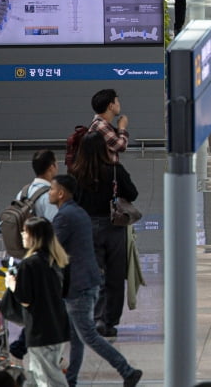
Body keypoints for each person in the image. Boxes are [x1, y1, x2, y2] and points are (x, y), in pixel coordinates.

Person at [49, 175, 141, 387]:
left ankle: (127, 371)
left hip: (78, 285)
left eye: (52, 190)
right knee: (76, 336)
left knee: (88, 335)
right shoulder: (79, 213)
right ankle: (70, 379)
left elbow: (52, 249)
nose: (49, 193)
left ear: (61, 193)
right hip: (85, 281)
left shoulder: (64, 217)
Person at [70, 132, 137, 336]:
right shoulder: (115, 170)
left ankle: (94, 317)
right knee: (115, 275)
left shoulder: (76, 173)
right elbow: (132, 193)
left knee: (93, 275)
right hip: (113, 226)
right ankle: (109, 321)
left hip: (87, 227)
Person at [5, 217, 71, 387]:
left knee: (49, 380)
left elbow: (25, 299)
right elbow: (65, 291)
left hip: (40, 330)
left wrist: (12, 284)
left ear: (34, 236)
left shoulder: (29, 264)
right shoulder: (58, 259)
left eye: (25, 231)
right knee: (36, 375)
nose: (22, 234)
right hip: (57, 326)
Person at [88, 89, 130, 164]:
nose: (119, 104)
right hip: (104, 173)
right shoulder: (101, 126)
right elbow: (121, 146)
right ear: (111, 106)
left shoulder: (99, 124)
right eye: (117, 101)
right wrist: (122, 127)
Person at [19, 150, 60, 221]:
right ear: (51, 168)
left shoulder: (22, 192)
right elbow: (54, 225)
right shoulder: (50, 196)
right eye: (56, 163)